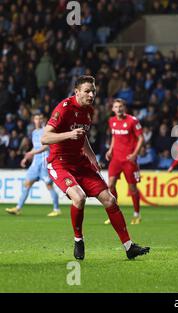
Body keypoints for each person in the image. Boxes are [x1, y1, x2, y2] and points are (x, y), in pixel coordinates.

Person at [41, 75, 150, 260]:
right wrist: (69, 134)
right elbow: (45, 138)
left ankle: (129, 246)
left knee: (110, 200)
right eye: (87, 91)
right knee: (79, 197)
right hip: (60, 163)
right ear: (77, 92)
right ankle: (78, 240)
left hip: (81, 163)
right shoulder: (64, 108)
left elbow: (82, 138)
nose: (91, 94)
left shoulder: (89, 111)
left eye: (93, 91)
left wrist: (92, 157)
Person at [5, 113, 61, 217]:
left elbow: (46, 147)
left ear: (43, 120)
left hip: (44, 163)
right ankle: (18, 208)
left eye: (40, 118)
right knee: (26, 184)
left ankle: (56, 209)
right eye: (36, 118)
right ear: (33, 120)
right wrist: (26, 157)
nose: (38, 120)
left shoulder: (46, 131)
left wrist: (32, 153)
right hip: (35, 164)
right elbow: (35, 147)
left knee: (49, 186)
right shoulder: (34, 132)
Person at [104, 98, 144, 225]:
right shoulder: (112, 121)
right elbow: (115, 136)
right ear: (113, 109)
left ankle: (137, 214)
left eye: (120, 106)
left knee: (132, 187)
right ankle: (114, 214)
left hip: (129, 160)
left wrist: (134, 154)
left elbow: (141, 138)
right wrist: (110, 150)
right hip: (116, 158)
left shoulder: (133, 121)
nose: (118, 109)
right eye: (116, 107)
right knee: (110, 185)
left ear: (124, 108)